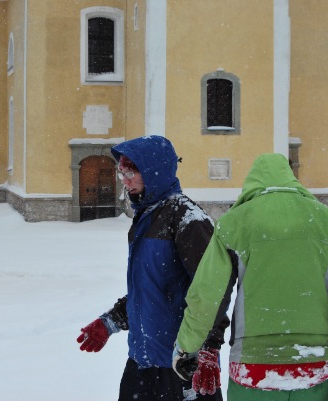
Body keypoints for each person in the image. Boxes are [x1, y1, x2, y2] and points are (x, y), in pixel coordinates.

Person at [172, 153, 328, 401]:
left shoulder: (233, 224)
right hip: (316, 363)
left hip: (253, 365)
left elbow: (207, 297)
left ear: (252, 183)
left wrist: (186, 348)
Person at [77, 135, 229, 401]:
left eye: (131, 172)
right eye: (122, 172)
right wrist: (112, 321)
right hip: (143, 361)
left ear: (153, 171)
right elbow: (151, 290)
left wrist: (209, 348)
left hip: (181, 364)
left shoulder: (188, 219)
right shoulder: (146, 217)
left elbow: (213, 289)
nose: (125, 180)